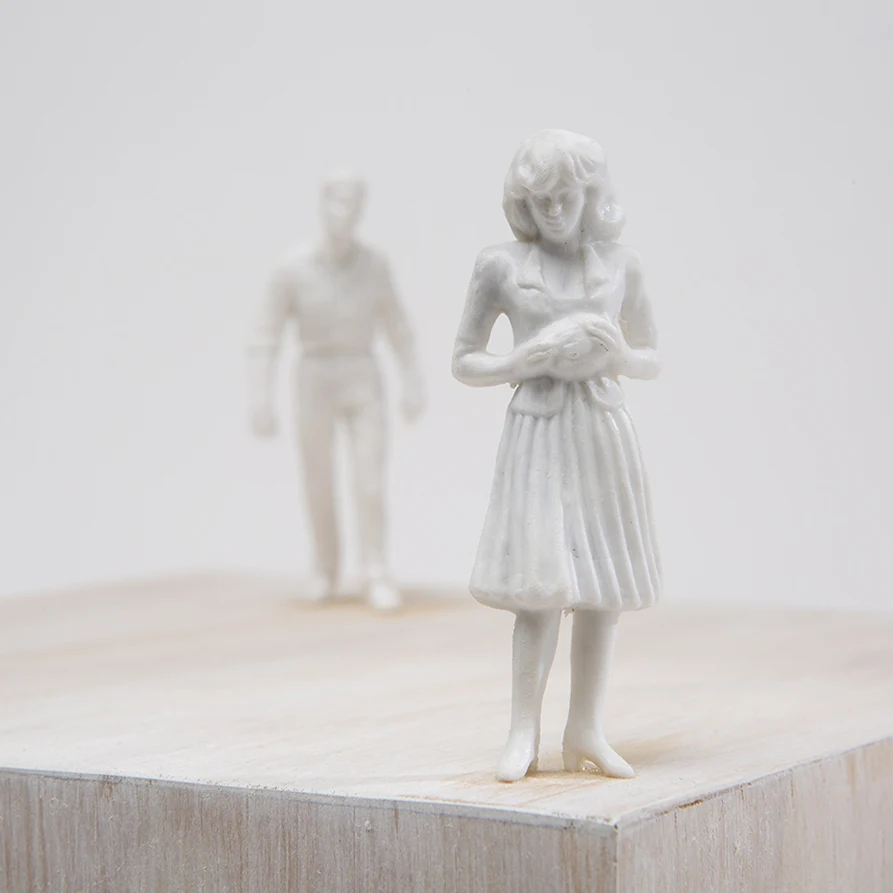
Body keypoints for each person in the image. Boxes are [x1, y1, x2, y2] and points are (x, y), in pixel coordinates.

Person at [452, 130, 661, 781]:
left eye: (565, 196)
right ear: (522, 201)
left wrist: (616, 354)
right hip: (538, 429)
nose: (553, 210)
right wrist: (525, 358)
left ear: (590, 195)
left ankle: (586, 728)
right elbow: (464, 359)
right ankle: (523, 731)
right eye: (539, 199)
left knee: (602, 589)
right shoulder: (500, 265)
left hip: (601, 426)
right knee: (538, 588)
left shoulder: (622, 264)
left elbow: (651, 355)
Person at [248, 172, 425, 611]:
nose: (344, 211)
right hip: (315, 374)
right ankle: (324, 569)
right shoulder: (292, 268)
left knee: (369, 481)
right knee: (318, 480)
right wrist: (261, 397)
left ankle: (375, 569)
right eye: (337, 200)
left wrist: (412, 380)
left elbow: (398, 326)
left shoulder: (375, 266)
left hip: (362, 372)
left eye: (353, 203)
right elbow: (266, 336)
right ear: (323, 203)